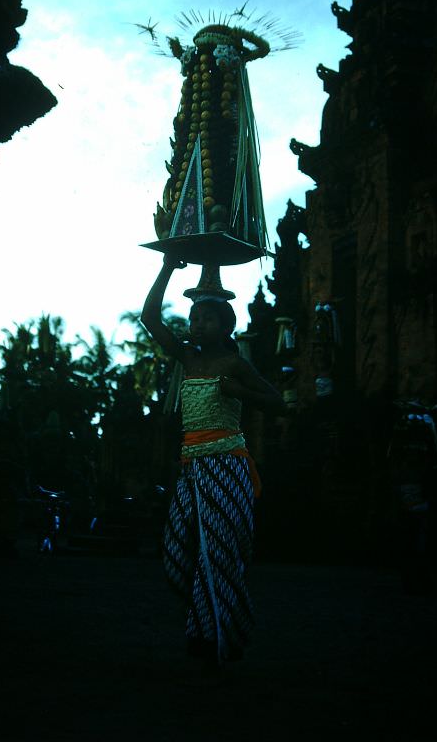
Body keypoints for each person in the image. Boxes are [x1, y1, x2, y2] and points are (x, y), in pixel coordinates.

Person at [141, 255, 285, 678]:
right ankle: (209, 622)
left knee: (218, 553)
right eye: (194, 317)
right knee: (178, 551)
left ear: (226, 327)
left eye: (207, 319)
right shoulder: (188, 359)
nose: (197, 324)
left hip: (227, 467)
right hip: (192, 470)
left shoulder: (234, 364)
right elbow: (150, 316)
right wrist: (168, 267)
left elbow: (277, 402)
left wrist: (238, 390)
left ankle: (214, 638)